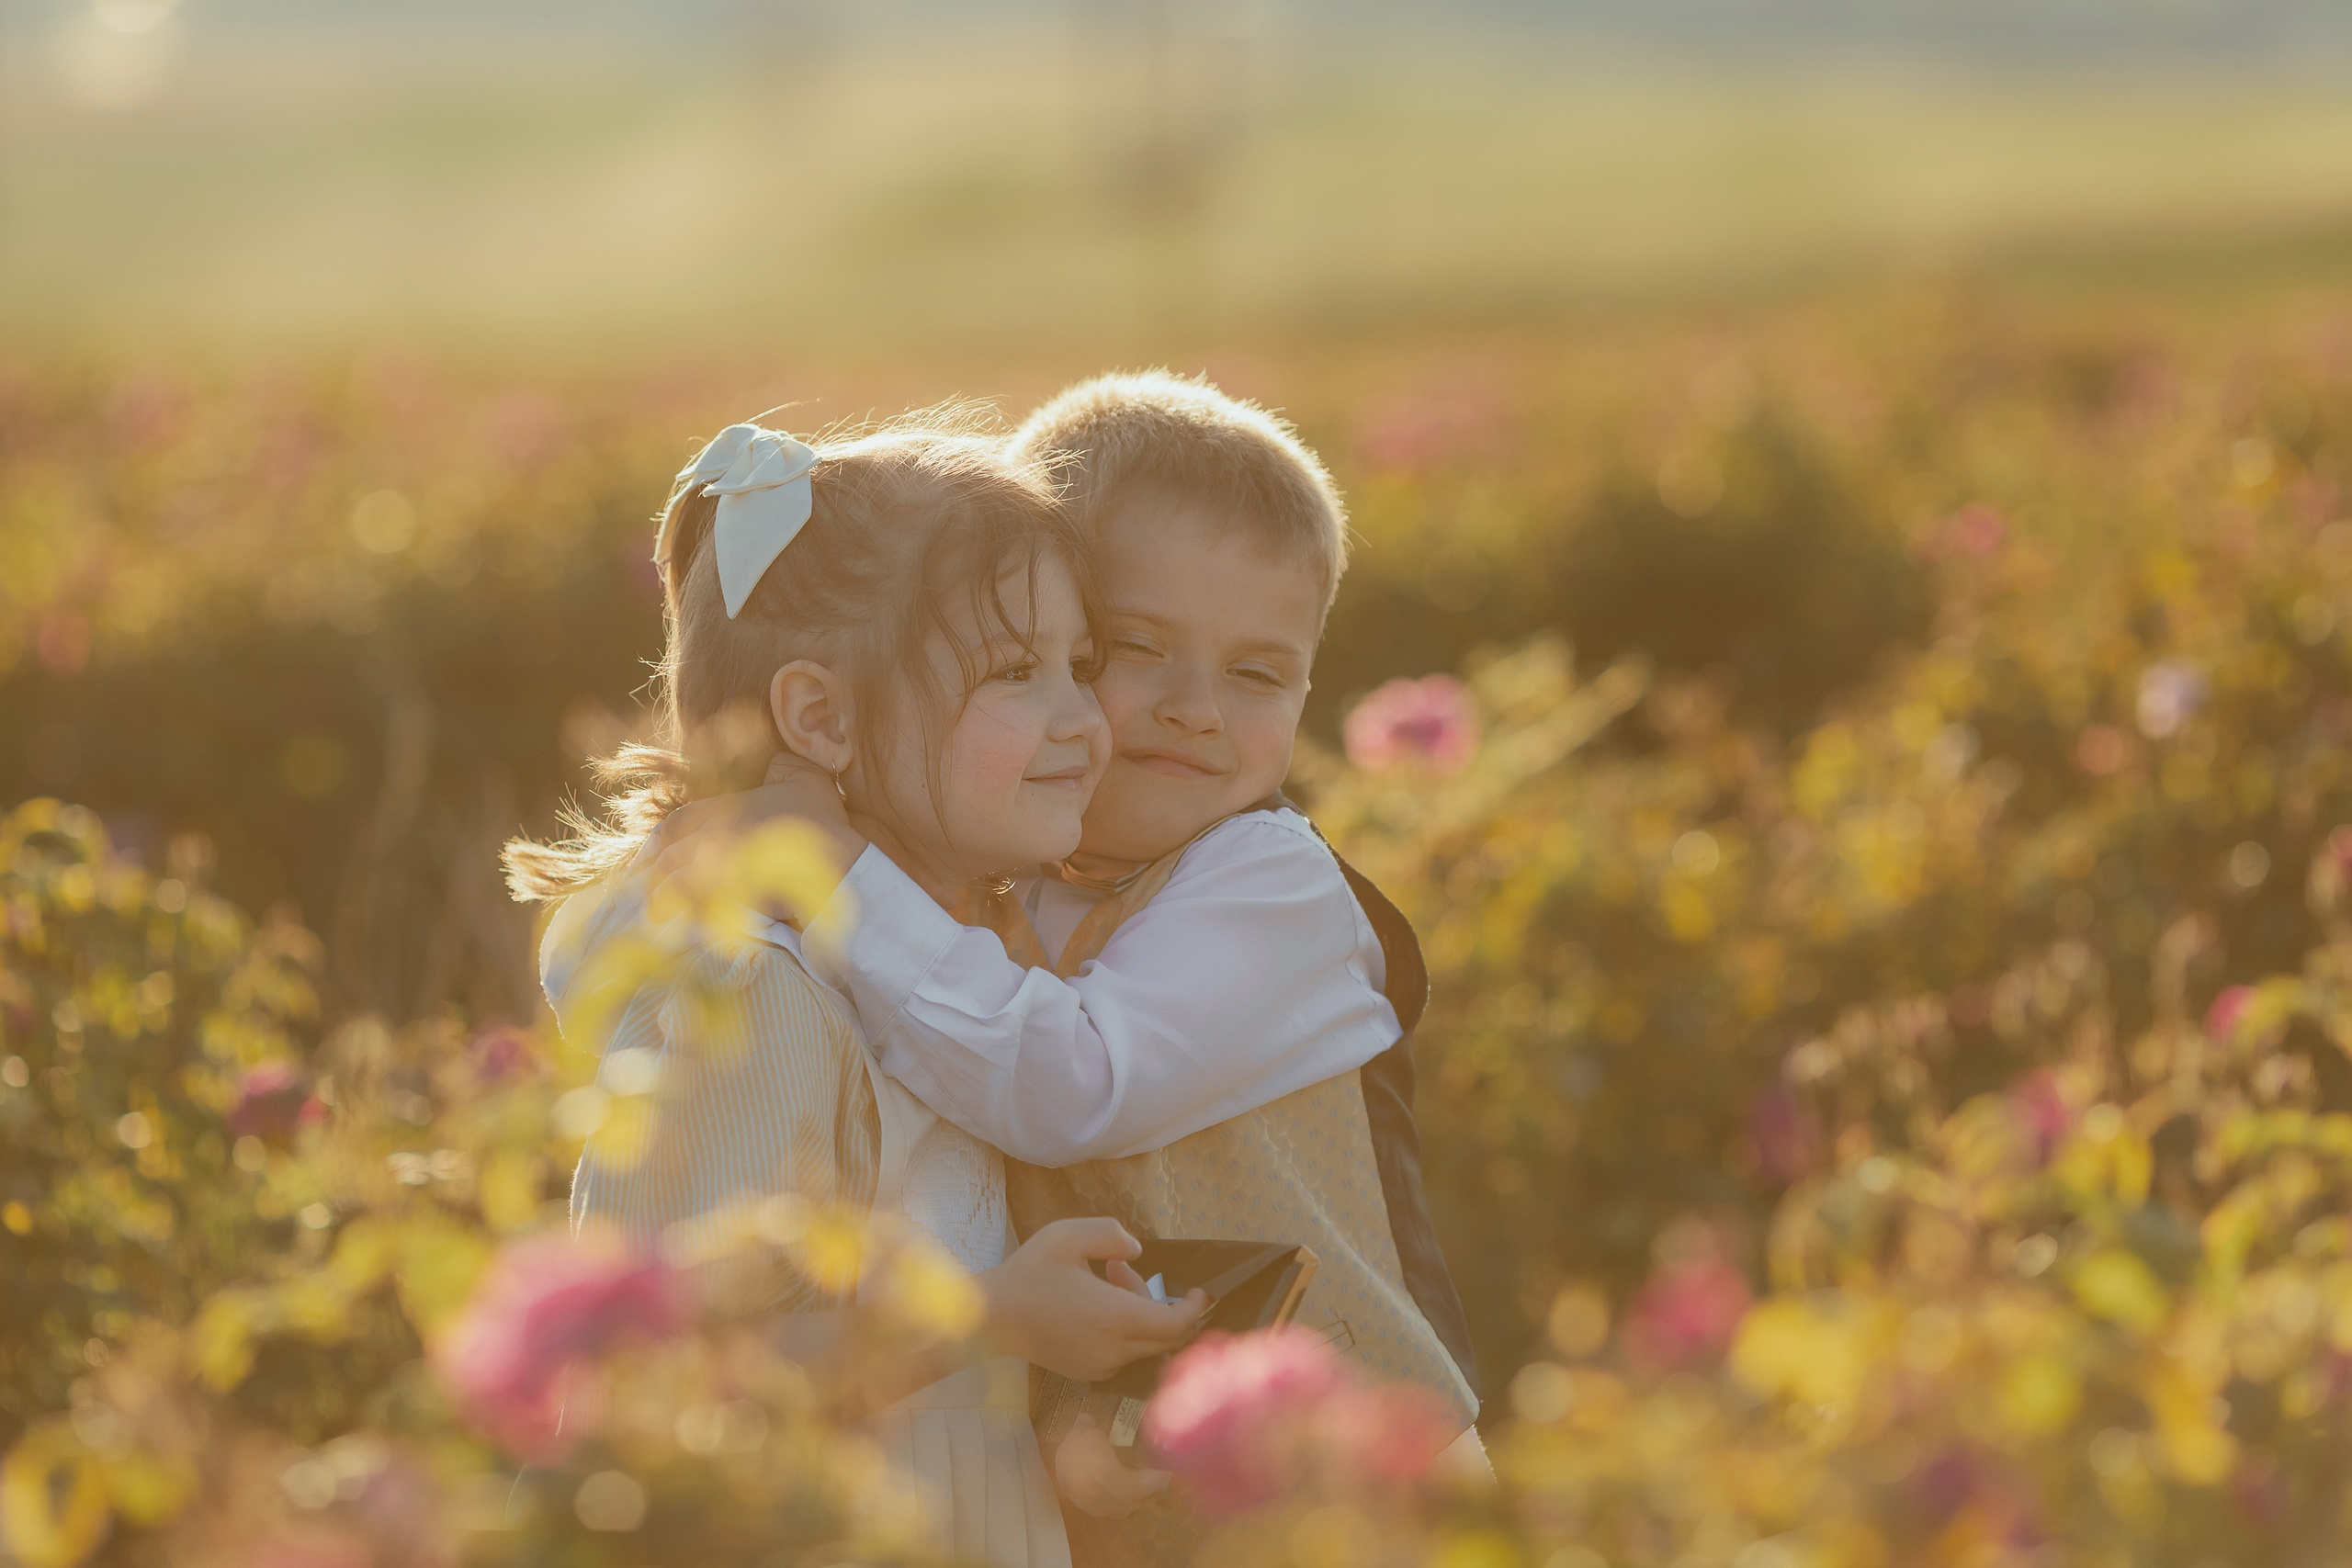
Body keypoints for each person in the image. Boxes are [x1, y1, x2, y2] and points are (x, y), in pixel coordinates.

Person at [621, 374, 1484, 1562]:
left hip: (1352, 1486)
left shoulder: (1270, 883)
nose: (1190, 710)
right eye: (1119, 653)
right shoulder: (962, 899)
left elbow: (1065, 1081)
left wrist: (835, 863)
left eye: (1258, 674)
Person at [506, 413, 1204, 1568]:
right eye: (1014, 674)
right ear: (821, 718)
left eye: (1080, 667)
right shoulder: (746, 999)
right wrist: (989, 1323)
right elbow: (652, 1392)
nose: (1085, 721)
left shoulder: (925, 964)